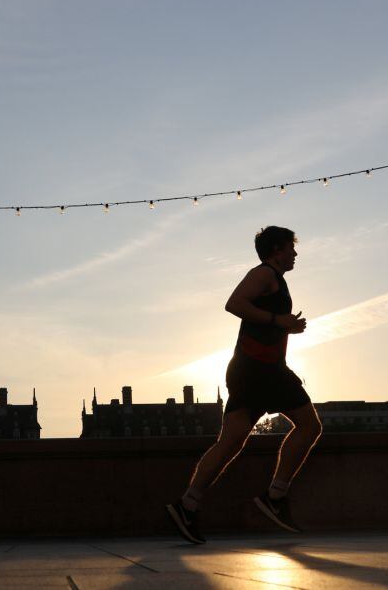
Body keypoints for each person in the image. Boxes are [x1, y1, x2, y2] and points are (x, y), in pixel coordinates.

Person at [166, 226, 322, 543]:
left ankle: (187, 505)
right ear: (277, 249)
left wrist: (286, 327)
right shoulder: (265, 274)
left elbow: (257, 318)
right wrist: (280, 321)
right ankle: (275, 497)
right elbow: (234, 304)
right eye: (291, 248)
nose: (295, 254)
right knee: (310, 426)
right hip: (263, 371)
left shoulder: (273, 279)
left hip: (249, 369)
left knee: (231, 442)